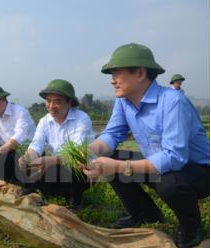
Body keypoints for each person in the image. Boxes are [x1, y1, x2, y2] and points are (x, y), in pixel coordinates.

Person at [81, 43, 209, 248]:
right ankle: (144, 213)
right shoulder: (124, 101)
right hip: (163, 164)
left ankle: (191, 228)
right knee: (110, 157)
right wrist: (91, 150)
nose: (112, 80)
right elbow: (113, 133)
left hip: (198, 170)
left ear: (140, 74)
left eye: (116, 73)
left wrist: (120, 167)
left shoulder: (173, 101)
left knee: (168, 183)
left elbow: (174, 158)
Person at [19, 79, 95, 208]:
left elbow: (77, 153)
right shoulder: (44, 121)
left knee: (76, 163)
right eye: (48, 101)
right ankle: (34, 189)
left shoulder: (81, 119)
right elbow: (37, 144)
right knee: (27, 159)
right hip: (58, 169)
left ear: (69, 102)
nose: (51, 106)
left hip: (81, 170)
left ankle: (75, 201)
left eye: (57, 102)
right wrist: (29, 157)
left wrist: (51, 160)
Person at [0, 85, 36, 182]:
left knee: (12, 156)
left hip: (28, 150)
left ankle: (27, 185)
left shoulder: (20, 112)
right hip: (9, 151)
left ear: (4, 99)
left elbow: (18, 138)